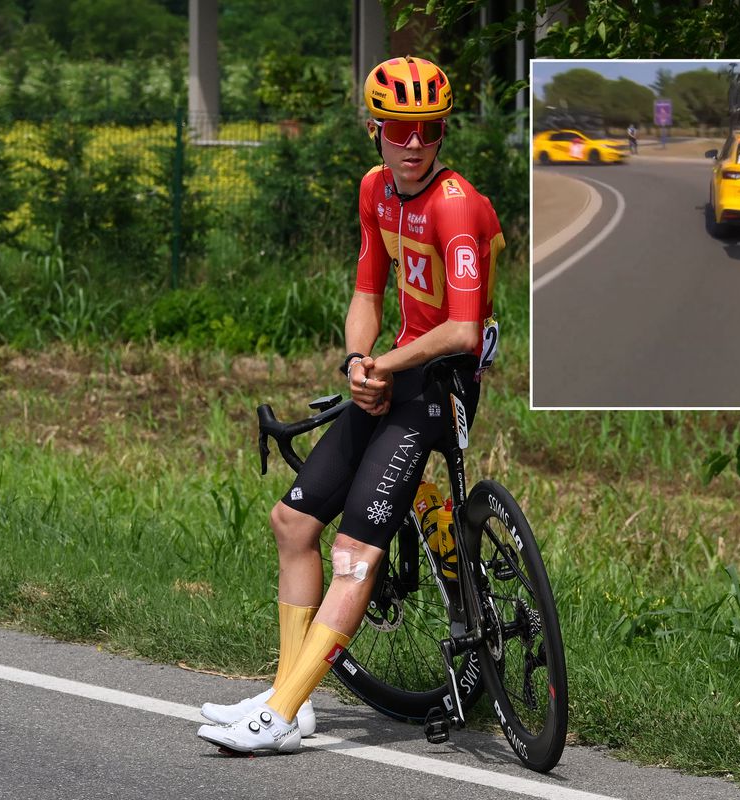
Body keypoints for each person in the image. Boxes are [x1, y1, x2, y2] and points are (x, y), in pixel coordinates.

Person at [196, 55, 505, 754]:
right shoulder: (375, 190)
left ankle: (275, 718)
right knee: (292, 521)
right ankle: (290, 700)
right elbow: (368, 292)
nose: (415, 144)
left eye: (429, 129)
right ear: (376, 130)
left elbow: (460, 328)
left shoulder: (454, 203)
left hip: (441, 384)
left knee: (355, 553)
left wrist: (385, 366)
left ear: (444, 130)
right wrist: (358, 362)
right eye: (400, 129)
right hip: (393, 373)